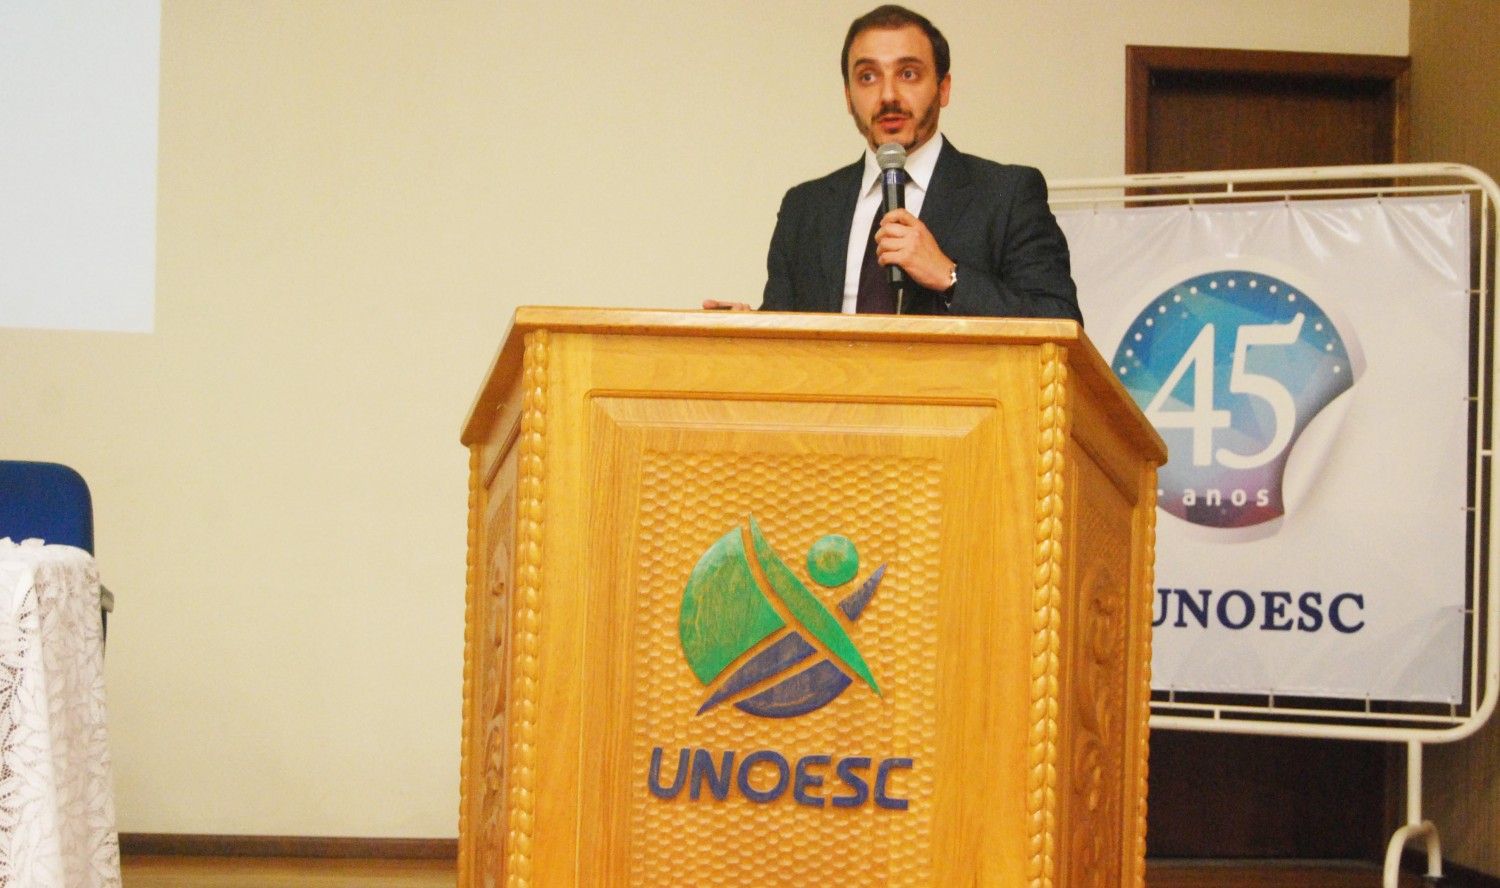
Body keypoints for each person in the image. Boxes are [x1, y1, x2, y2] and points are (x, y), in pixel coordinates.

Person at [705, 5, 1080, 322]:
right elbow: (788, 333)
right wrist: (750, 327)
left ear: (944, 88)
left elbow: (1059, 320)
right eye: (868, 77)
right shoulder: (805, 207)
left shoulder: (1007, 194)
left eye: (908, 74)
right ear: (848, 96)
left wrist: (949, 276)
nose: (888, 95)